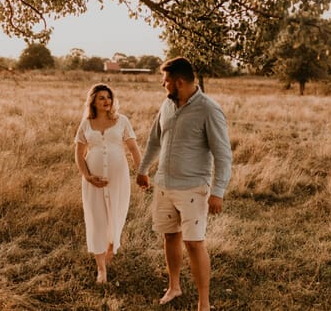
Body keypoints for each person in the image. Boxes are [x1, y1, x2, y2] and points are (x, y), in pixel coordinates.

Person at [136, 57, 232, 311]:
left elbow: (223, 155)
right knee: (170, 236)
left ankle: (204, 303)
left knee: (193, 243)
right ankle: (174, 286)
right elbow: (154, 140)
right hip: (164, 185)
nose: (162, 85)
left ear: (179, 82)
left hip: (193, 188)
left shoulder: (209, 109)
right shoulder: (166, 106)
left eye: (165, 81)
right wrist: (143, 169)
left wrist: (218, 192)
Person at [75, 83, 142, 284]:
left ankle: (112, 243)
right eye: (102, 98)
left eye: (109, 97)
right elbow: (78, 154)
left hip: (118, 177)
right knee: (96, 220)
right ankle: (101, 269)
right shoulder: (86, 123)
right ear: (93, 101)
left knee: (117, 213)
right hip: (93, 179)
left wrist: (142, 173)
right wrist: (87, 176)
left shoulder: (122, 121)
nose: (107, 101)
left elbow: (134, 149)